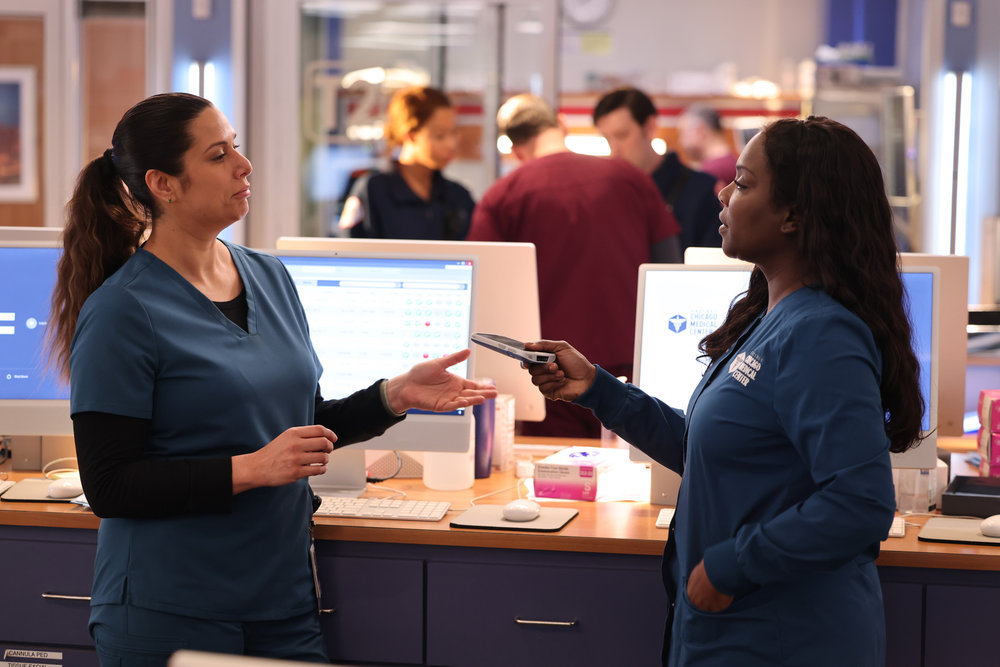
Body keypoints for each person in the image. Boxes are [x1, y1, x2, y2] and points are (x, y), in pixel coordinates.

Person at [48, 92, 496, 662]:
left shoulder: (268, 275)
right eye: (218, 155)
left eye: (236, 146)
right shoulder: (123, 310)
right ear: (164, 183)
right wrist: (252, 469)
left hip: (282, 600)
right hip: (169, 608)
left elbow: (301, 424)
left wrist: (394, 396)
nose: (244, 164)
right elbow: (109, 485)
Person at [524, 116, 921, 665]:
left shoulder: (820, 334)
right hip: (734, 630)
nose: (723, 192)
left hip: (783, 637)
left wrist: (733, 565)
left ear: (794, 216)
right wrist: (597, 388)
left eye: (744, 182)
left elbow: (860, 503)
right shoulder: (773, 317)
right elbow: (713, 453)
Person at [466, 93, 681, 439]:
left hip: (548, 383)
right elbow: (671, 273)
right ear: (561, 125)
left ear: (516, 150)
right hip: (630, 383)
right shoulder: (632, 179)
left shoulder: (504, 196)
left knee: (555, 485)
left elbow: (482, 297)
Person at [592, 87, 722, 253]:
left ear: (650, 126)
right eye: (607, 139)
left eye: (622, 135)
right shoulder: (608, 193)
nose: (614, 150)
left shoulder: (702, 190)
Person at [338, 85, 475, 239]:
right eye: (440, 135)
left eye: (453, 133)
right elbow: (348, 253)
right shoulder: (373, 191)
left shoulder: (458, 196)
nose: (451, 144)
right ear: (410, 136)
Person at [678, 103, 739, 189]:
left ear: (700, 130)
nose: (681, 142)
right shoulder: (734, 163)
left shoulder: (711, 172)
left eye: (683, 133)